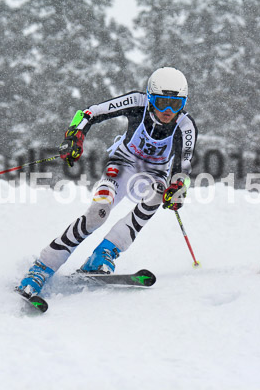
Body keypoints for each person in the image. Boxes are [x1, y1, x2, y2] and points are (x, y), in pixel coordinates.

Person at [16, 67, 197, 297]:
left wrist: (177, 189)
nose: (168, 111)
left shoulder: (185, 125)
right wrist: (75, 135)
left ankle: (103, 254)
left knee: (158, 193)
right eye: (162, 103)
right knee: (98, 212)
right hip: (123, 165)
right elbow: (90, 113)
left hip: (154, 174)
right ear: (151, 98)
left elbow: (183, 167)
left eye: (176, 104)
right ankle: (42, 267)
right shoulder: (137, 102)